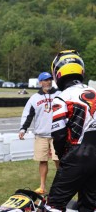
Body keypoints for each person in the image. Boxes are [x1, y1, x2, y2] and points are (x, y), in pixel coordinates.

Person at [45, 50, 96, 211]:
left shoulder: (62, 97)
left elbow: (59, 134)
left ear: (57, 72)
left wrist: (62, 157)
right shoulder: (94, 92)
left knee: (53, 204)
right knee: (89, 205)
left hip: (76, 154)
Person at [18, 71, 60, 195]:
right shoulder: (34, 99)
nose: (48, 82)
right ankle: (42, 186)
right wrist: (23, 129)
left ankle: (61, 185)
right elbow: (28, 115)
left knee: (59, 161)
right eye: (45, 80)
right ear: (40, 82)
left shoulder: (59, 94)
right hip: (41, 135)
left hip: (57, 134)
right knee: (42, 160)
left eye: (49, 80)